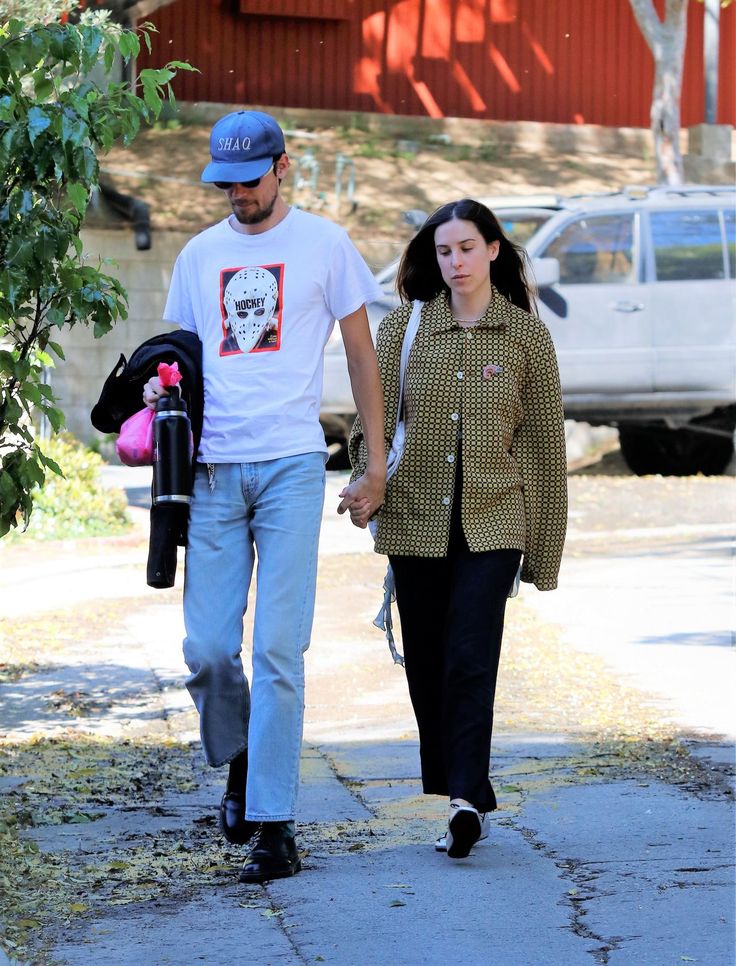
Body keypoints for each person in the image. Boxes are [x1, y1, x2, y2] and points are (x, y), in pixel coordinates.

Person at [143, 110, 386, 883]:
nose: (237, 195)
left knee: (280, 650)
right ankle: (244, 755)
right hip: (212, 473)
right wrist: (157, 396)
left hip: (288, 466)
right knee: (209, 650)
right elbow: (176, 358)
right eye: (225, 182)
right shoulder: (199, 254)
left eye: (249, 180)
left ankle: (275, 825)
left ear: (283, 168)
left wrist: (373, 463)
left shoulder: (324, 245)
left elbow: (360, 353)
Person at [348, 198, 567, 859]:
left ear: (494, 250)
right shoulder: (404, 331)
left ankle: (466, 800)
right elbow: (372, 424)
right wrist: (367, 478)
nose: (457, 262)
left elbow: (543, 447)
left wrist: (544, 551)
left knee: (472, 656)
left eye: (468, 248)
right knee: (430, 664)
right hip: (415, 517)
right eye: (445, 251)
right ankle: (457, 784)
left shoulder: (527, 335)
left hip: (494, 520)